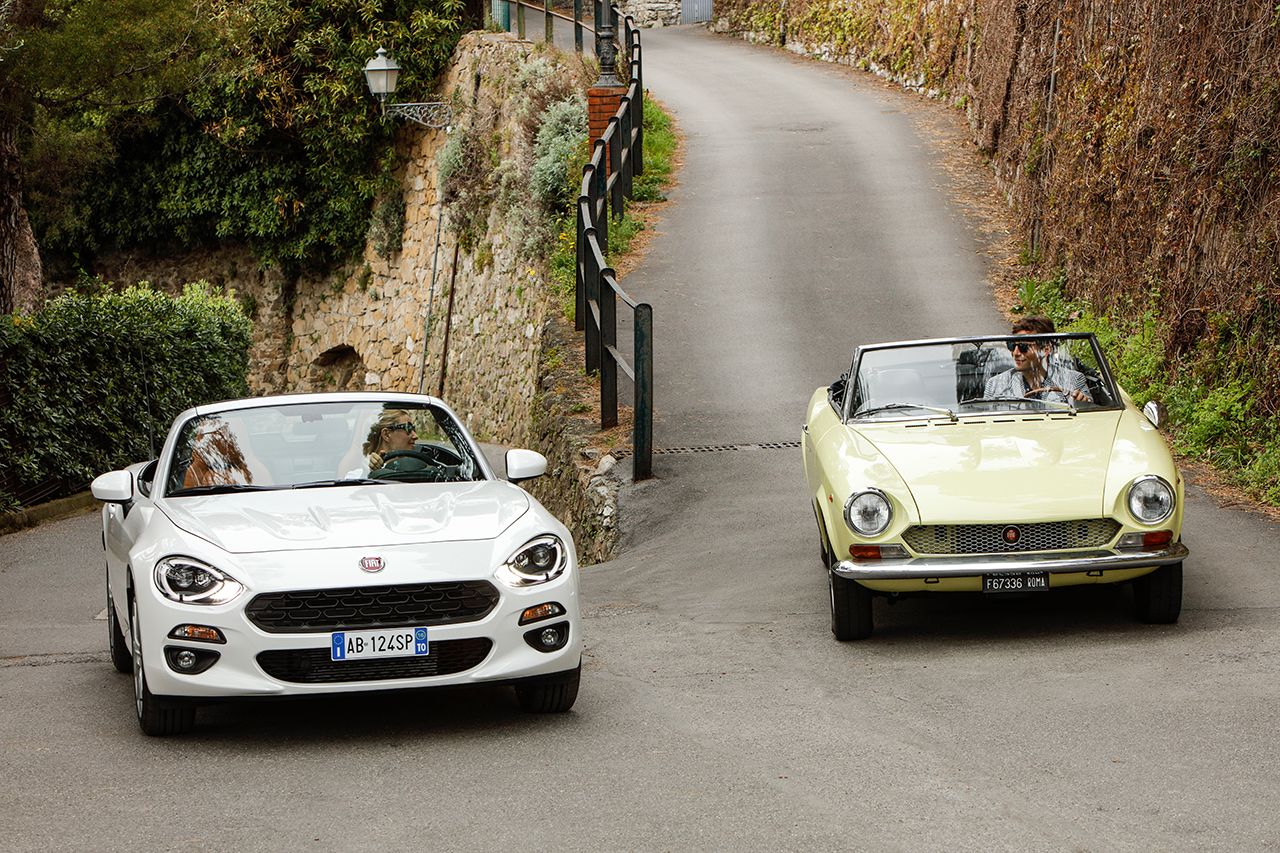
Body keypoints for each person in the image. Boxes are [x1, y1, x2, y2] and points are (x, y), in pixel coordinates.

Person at [983, 315, 1092, 404]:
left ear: (1045, 349)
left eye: (1023, 347)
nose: (1015, 353)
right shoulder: (995, 385)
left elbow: (1090, 420)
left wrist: (1083, 403)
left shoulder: (1073, 380)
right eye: (1011, 345)